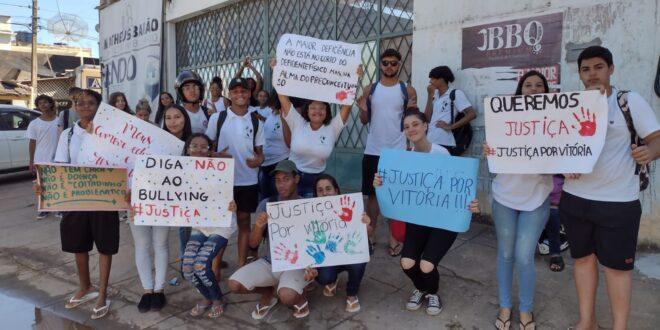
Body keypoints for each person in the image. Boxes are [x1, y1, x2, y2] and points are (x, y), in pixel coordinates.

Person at [560, 46, 659, 330]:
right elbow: (555, 147)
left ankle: (619, 327)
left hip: (618, 202)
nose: (592, 74)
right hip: (575, 198)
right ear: (579, 73)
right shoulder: (569, 104)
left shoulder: (629, 101)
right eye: (585, 69)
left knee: (617, 269)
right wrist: (563, 164)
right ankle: (586, 321)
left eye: (599, 67)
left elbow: (656, 138)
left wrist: (650, 152)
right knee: (582, 262)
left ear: (611, 69)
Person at [373, 109, 479, 316]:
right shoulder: (404, 160)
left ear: (425, 126)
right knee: (406, 263)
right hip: (419, 219)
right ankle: (421, 288)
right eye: (406, 127)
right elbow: (397, 190)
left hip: (443, 222)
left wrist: (470, 204)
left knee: (427, 265)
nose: (411, 129)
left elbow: (456, 189)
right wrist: (380, 184)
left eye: (415, 124)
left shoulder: (441, 153)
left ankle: (432, 293)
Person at [34, 89, 117, 319]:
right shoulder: (67, 135)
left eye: (91, 103)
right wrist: (45, 186)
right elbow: (60, 165)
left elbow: (121, 163)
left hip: (104, 197)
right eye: (80, 103)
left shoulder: (110, 134)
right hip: (76, 197)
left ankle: (102, 292)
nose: (85, 107)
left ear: (99, 107)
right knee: (78, 245)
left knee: (105, 247)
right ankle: (85, 286)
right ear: (74, 106)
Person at [482, 70, 554, 330]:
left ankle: (526, 309)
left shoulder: (556, 121)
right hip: (504, 197)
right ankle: (504, 306)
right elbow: (493, 161)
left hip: (535, 199)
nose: (533, 89)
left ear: (546, 92)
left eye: (538, 85)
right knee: (505, 253)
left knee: (524, 257)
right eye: (528, 85)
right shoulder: (504, 118)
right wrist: (489, 150)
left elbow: (563, 155)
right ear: (520, 90)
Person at [228, 160, 312, 319]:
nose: (281, 184)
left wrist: (312, 266)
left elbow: (318, 241)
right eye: (277, 180)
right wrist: (259, 226)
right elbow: (253, 243)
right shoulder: (267, 204)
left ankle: (301, 296)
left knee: (287, 296)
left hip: (297, 264)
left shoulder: (307, 205)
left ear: (297, 179)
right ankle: (268, 292)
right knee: (234, 284)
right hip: (271, 262)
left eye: (286, 179)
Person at [357, 48, 417, 257]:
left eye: (393, 63)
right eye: (385, 63)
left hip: (398, 150)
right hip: (373, 149)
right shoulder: (369, 89)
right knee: (372, 196)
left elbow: (412, 121)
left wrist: (412, 146)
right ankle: (370, 234)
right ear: (380, 65)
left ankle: (394, 237)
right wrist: (363, 108)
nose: (389, 66)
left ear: (399, 65)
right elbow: (364, 121)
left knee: (395, 196)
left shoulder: (407, 90)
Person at [271, 60, 358, 197]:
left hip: (317, 182)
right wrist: (276, 71)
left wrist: (355, 78)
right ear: (307, 110)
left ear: (327, 111)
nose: (317, 111)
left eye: (322, 108)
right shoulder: (298, 122)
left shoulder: (332, 128)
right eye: (313, 107)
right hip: (293, 179)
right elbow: (283, 98)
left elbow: (348, 104)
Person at [205, 77, 265, 266]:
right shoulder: (218, 118)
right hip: (223, 181)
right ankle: (215, 269)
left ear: (249, 94)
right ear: (229, 95)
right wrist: (214, 155)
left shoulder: (256, 121)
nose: (240, 94)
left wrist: (258, 161)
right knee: (222, 226)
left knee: (244, 224)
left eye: (244, 91)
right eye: (235, 91)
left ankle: (241, 265)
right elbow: (204, 149)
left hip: (248, 181)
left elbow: (261, 154)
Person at [181, 133, 237, 319]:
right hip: (199, 223)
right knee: (187, 268)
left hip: (221, 223)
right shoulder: (179, 170)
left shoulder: (219, 168)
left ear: (209, 150)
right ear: (187, 149)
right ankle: (207, 297)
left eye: (203, 146)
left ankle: (218, 299)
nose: (198, 149)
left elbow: (229, 161)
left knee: (200, 265)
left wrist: (232, 204)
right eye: (194, 146)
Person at [302, 174, 371, 313]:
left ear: (336, 191)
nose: (325, 193)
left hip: (349, 252)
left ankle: (352, 293)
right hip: (329, 257)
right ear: (316, 195)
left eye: (328, 189)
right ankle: (331, 280)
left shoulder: (351, 207)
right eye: (320, 190)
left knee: (358, 261)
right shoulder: (309, 214)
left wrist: (367, 225)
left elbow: (368, 234)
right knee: (324, 278)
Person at [161, 104, 194, 259]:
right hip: (165, 196)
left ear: (185, 119)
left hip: (192, 195)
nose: (173, 122)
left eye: (177, 117)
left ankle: (197, 259)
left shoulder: (194, 141)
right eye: (168, 118)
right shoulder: (158, 142)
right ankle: (185, 259)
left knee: (190, 227)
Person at [423, 66, 476, 155]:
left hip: (445, 142)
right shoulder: (434, 96)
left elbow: (472, 114)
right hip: (430, 141)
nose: (430, 82)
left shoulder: (455, 94)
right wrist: (429, 96)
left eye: (433, 78)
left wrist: (451, 126)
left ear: (442, 79)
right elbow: (427, 118)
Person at [27, 94, 59, 219]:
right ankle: (43, 208)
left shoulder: (59, 120)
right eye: (40, 103)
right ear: (38, 106)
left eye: (45, 102)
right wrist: (31, 161)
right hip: (41, 158)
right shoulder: (34, 123)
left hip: (58, 158)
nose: (43, 105)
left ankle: (58, 208)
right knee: (42, 184)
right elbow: (32, 142)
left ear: (51, 103)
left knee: (57, 183)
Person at [258, 90, 290, 200]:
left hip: (279, 163)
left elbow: (289, 142)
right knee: (265, 199)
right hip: (265, 164)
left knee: (277, 200)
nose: (270, 107)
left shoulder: (286, 116)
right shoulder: (271, 115)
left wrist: (283, 117)